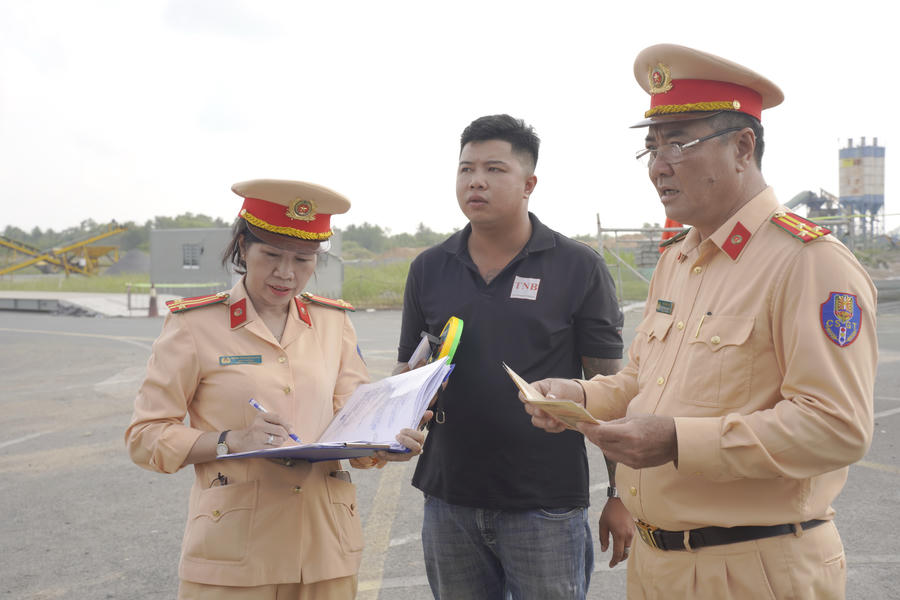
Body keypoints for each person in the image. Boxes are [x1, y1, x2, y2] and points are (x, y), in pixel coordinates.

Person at [522, 44, 878, 599]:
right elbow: (643, 382)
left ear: (743, 147)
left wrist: (679, 441)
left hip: (754, 570)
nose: (659, 166)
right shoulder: (679, 259)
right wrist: (578, 397)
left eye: (679, 143)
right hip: (658, 566)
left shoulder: (809, 262)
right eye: (651, 148)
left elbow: (837, 427)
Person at [125, 178, 426, 600]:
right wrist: (231, 441)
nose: (287, 273)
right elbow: (145, 436)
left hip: (325, 549)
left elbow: (354, 421)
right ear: (242, 248)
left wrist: (388, 439)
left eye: (303, 260)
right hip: (233, 553)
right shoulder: (194, 326)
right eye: (271, 255)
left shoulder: (333, 323)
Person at [395, 114, 632, 599]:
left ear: (529, 183)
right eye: (465, 169)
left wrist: (620, 493)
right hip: (449, 502)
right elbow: (406, 371)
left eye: (494, 169)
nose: (475, 180)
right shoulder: (429, 268)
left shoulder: (577, 266)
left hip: (545, 507)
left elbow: (613, 391)